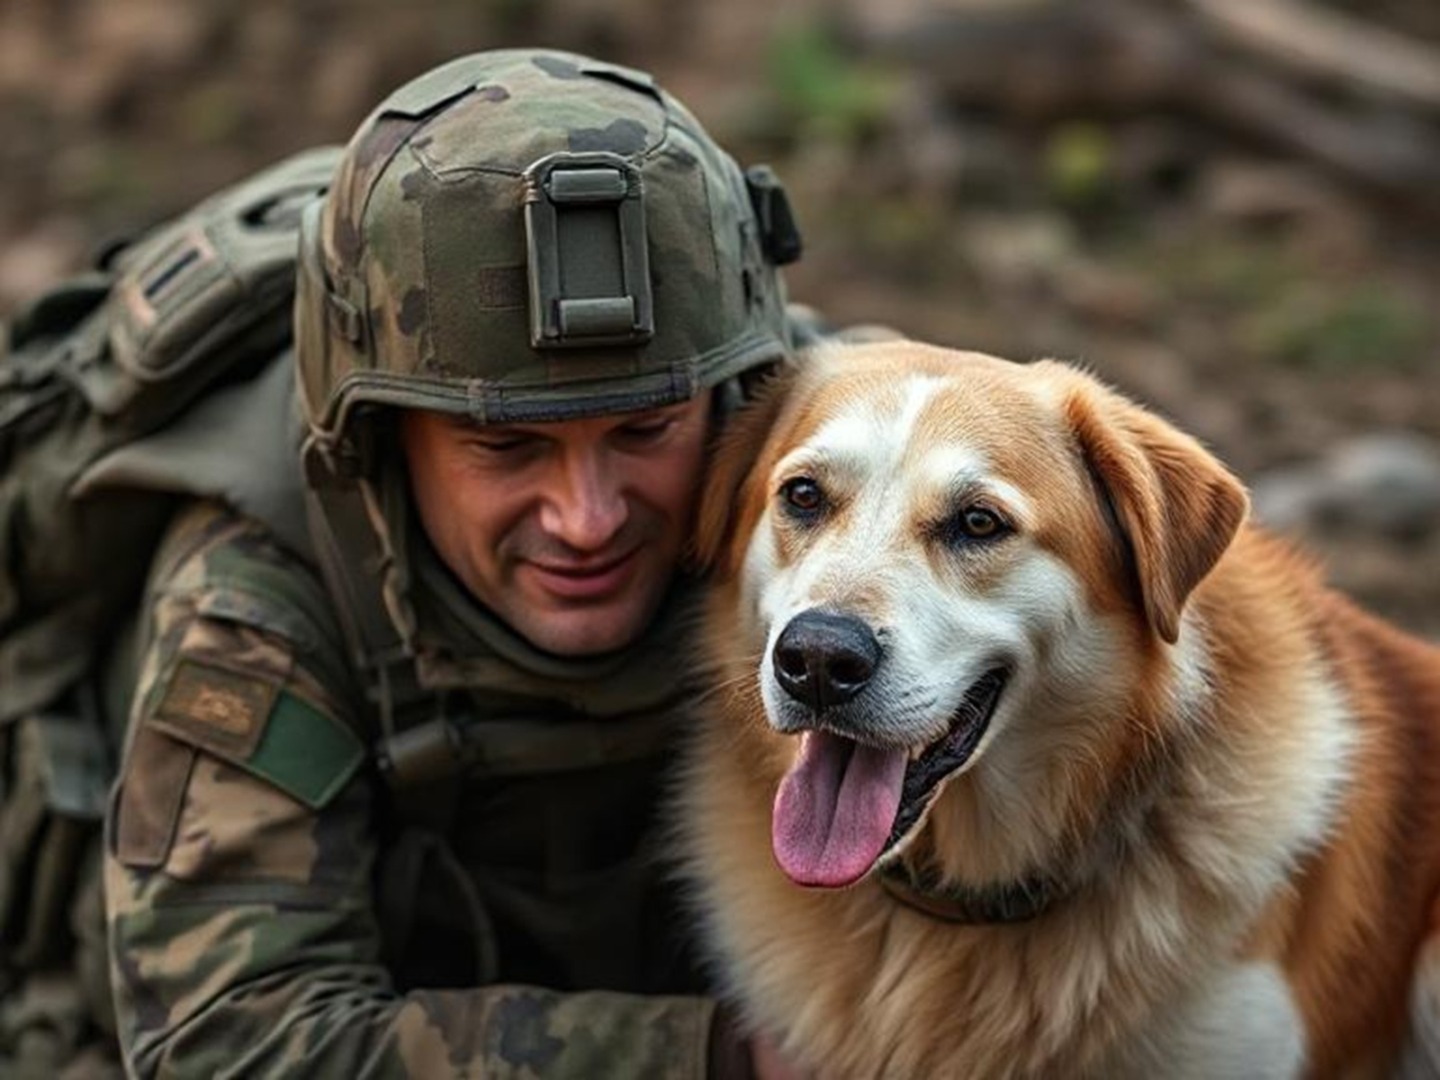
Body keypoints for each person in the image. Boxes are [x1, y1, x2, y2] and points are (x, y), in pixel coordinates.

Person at [101, 47, 808, 1078]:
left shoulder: (832, 470)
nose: (587, 518)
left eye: (646, 431)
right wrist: (713, 1062)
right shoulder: (260, 603)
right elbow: (227, 1043)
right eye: (509, 447)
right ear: (385, 442)